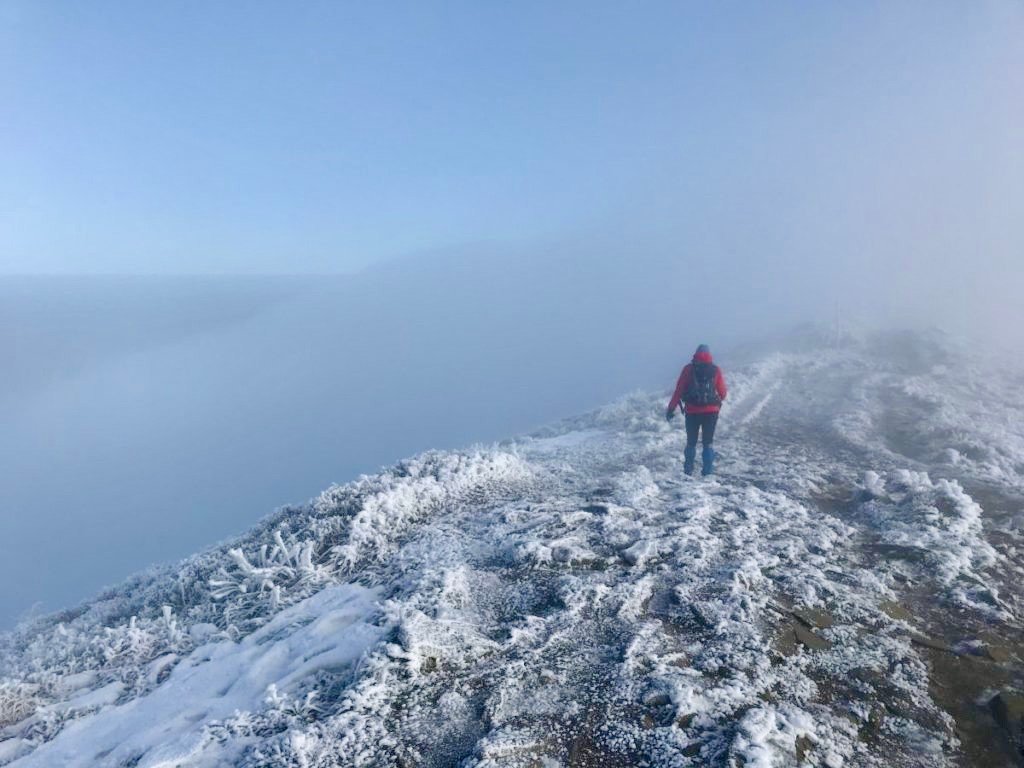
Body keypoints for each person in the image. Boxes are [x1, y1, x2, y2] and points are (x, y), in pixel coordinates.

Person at [666, 344, 728, 476]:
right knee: (708, 442)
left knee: (691, 442)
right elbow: (723, 393)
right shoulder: (715, 370)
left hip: (692, 411)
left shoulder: (688, 369)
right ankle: (707, 471)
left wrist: (671, 408)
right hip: (711, 411)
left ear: (696, 353)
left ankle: (688, 470)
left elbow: (679, 390)